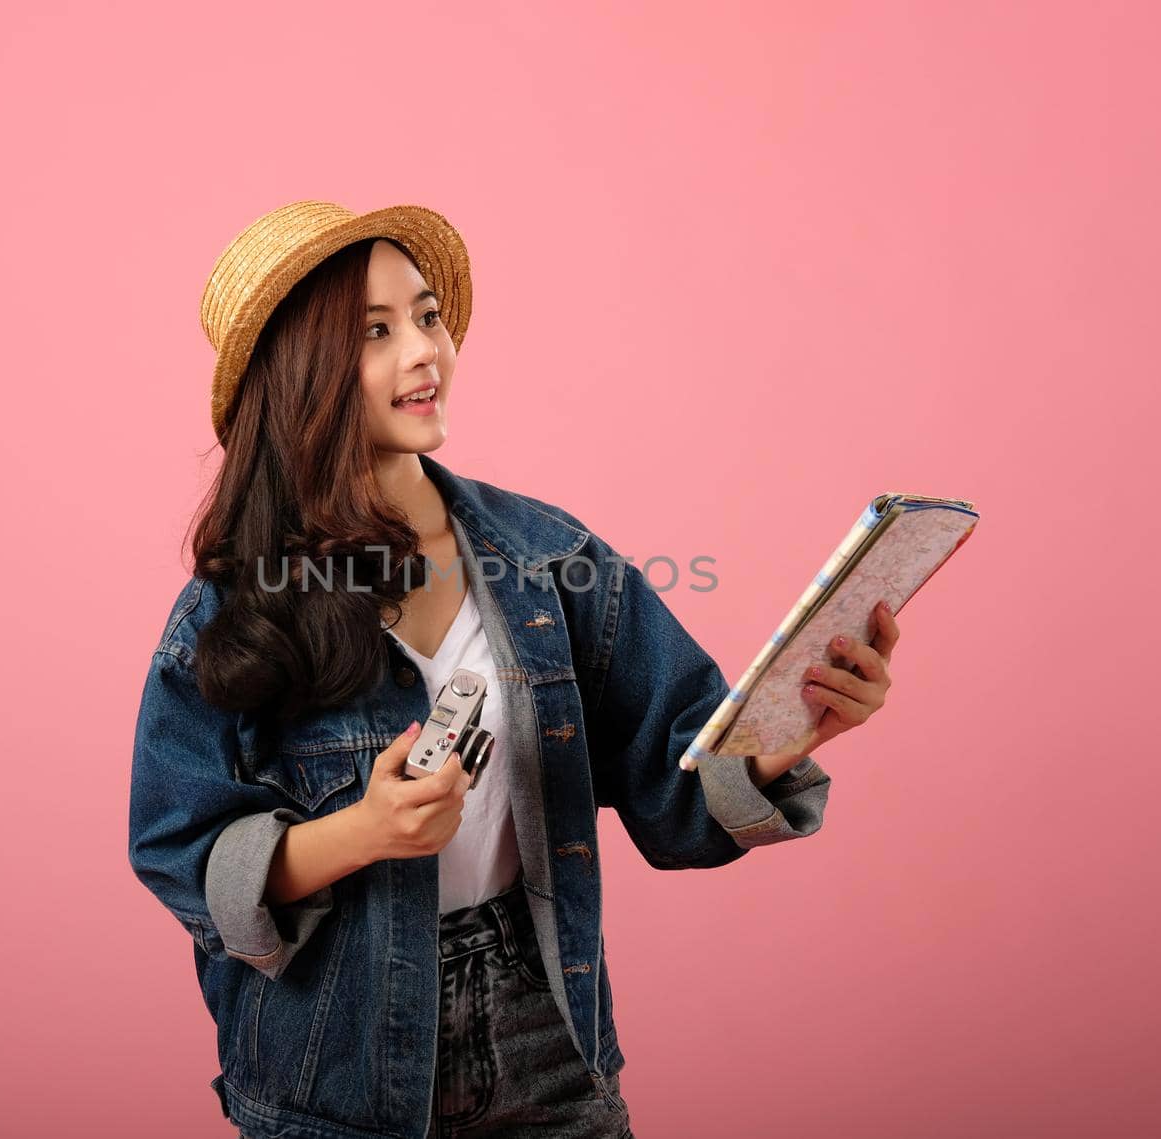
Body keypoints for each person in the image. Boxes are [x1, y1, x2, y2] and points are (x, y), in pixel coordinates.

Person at [129, 201, 893, 1139]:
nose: (425, 351)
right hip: (332, 1054)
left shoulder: (549, 557)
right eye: (376, 331)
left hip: (544, 1028)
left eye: (426, 315)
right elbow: (181, 852)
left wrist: (796, 723)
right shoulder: (237, 605)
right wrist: (362, 831)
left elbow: (676, 782)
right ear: (302, 376)